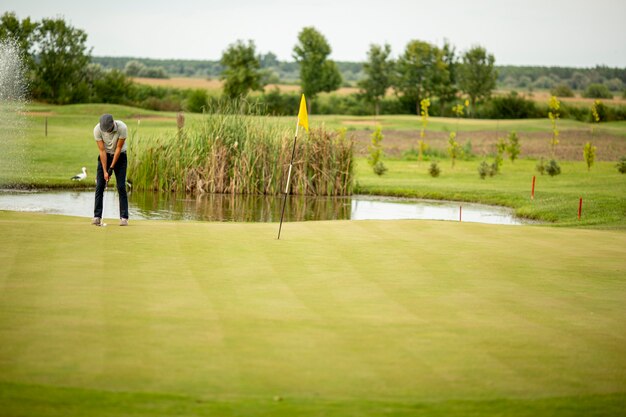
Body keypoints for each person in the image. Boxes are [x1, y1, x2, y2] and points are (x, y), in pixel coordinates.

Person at [92, 114, 129, 226]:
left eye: (108, 129)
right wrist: (105, 171)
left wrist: (111, 168)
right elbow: (102, 151)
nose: (107, 131)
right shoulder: (97, 129)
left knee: (121, 186)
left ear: (113, 123)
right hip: (105, 156)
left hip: (120, 156)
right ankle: (97, 216)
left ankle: (124, 218)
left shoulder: (122, 127)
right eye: (105, 130)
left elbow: (118, 148)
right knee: (99, 186)